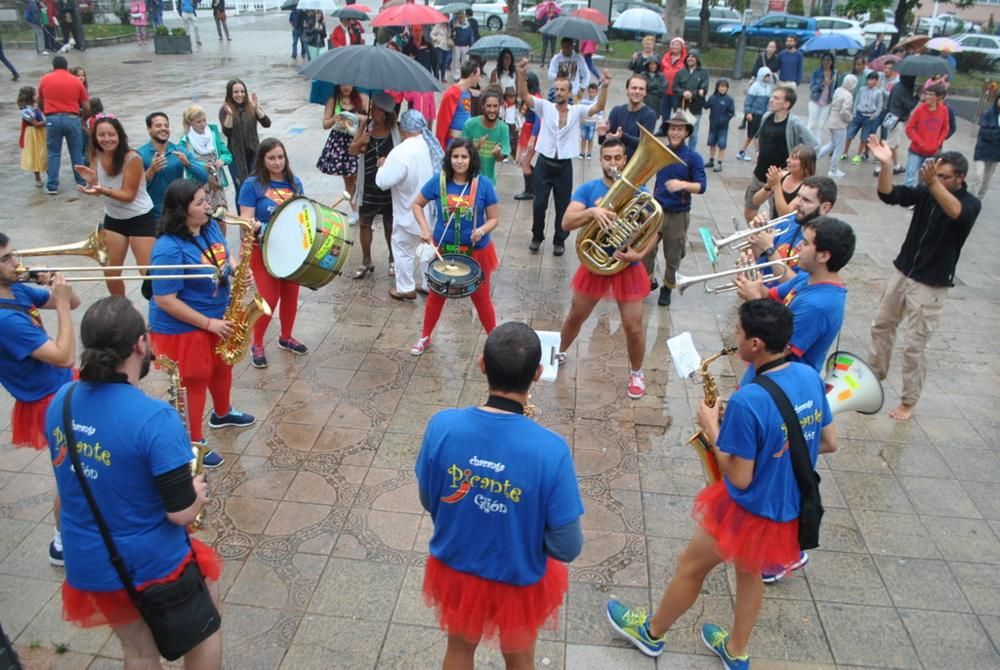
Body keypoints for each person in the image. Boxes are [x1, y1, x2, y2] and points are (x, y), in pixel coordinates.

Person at [607, 299, 837, 666]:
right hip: (786, 506)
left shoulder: (750, 399)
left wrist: (711, 426)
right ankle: (736, 651)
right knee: (749, 578)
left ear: (756, 345)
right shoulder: (809, 375)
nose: (735, 336)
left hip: (747, 509)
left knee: (691, 567)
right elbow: (828, 441)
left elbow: (740, 475)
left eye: (739, 332)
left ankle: (651, 634)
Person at [44, 296, 222, 668]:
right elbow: (180, 514)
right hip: (150, 561)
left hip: (90, 559)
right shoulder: (154, 418)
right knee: (206, 629)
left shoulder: (62, 399)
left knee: (138, 651)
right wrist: (198, 494)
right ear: (141, 344)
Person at [416, 321, 583, 668]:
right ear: (537, 373)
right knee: (520, 657)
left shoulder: (442, 426)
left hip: (457, 567)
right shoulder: (551, 451)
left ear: (482, 365)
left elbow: (429, 498)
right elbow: (567, 546)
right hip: (519, 576)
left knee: (459, 649)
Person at [867, 139, 980, 421]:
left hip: (931, 284)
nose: (936, 180)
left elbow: (957, 213)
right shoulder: (928, 192)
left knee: (914, 346)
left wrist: (933, 184)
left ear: (959, 178)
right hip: (903, 271)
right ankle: (873, 375)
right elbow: (889, 194)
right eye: (934, 174)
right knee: (881, 325)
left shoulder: (969, 203)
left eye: (943, 177)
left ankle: (908, 400)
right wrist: (886, 165)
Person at [150, 179, 256, 469]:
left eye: (205, 199)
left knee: (223, 366)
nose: (208, 206)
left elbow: (223, 253)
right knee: (195, 381)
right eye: (199, 202)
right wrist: (208, 323)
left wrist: (236, 270)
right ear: (181, 211)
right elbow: (166, 300)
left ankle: (222, 413)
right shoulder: (167, 249)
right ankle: (195, 444)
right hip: (182, 327)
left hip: (216, 316)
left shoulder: (208, 225)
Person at [0, 232, 79, 565]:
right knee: (70, 475)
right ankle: (60, 541)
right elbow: (64, 356)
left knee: (79, 468)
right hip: (45, 399)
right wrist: (59, 304)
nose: (16, 263)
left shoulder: (15, 287)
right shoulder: (5, 319)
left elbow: (72, 301)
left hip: (59, 386)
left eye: (13, 255)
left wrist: (57, 286)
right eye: (5, 259)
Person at [557, 139, 656, 398]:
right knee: (576, 316)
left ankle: (636, 373)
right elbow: (566, 222)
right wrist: (592, 212)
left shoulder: (640, 191)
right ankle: (559, 351)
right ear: (600, 160)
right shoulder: (589, 189)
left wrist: (641, 253)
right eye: (608, 158)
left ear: (625, 160)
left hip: (627, 264)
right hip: (595, 263)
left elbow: (655, 230)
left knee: (633, 327)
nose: (613, 163)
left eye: (618, 158)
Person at [409, 138, 500, 356]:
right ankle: (425, 337)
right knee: (436, 295)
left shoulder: (484, 184)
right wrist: (424, 228)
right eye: (455, 156)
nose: (459, 161)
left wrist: (482, 230)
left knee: (482, 298)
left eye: (464, 157)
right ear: (449, 159)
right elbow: (417, 203)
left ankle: (495, 342)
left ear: (472, 159)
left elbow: (494, 218)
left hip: (476, 252)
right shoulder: (438, 182)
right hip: (445, 251)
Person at [735, 216, 855, 372]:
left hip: (778, 382)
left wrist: (753, 300)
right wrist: (750, 277)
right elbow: (769, 297)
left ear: (824, 256)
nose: (798, 246)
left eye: (805, 243)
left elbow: (776, 352)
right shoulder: (808, 277)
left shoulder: (817, 307)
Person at [518, 58, 611, 256]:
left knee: (563, 206)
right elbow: (525, 96)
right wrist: (521, 75)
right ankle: (537, 235)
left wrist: (605, 86)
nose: (559, 92)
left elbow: (599, 107)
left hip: (564, 166)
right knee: (539, 204)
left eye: (563, 89)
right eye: (557, 89)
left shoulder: (577, 111)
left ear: (570, 93)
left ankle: (559, 239)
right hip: (544, 163)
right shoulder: (545, 107)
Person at [238, 138, 309, 368]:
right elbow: (245, 220)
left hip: (291, 251)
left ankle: (286, 337)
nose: (277, 162)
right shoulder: (251, 185)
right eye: (271, 158)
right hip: (262, 251)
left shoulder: (294, 183)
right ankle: (257, 343)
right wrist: (255, 225)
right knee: (268, 299)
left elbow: (303, 214)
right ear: (262, 159)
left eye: (280, 157)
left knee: (291, 295)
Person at [74, 115, 157, 297]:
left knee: (148, 275)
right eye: (101, 135)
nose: (107, 139)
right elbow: (99, 189)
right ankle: (121, 310)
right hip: (114, 218)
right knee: (111, 272)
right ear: (95, 137)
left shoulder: (132, 158)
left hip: (140, 218)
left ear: (119, 135)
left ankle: (159, 314)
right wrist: (91, 185)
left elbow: (128, 195)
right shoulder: (96, 154)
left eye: (111, 134)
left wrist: (102, 189)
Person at [376, 109, 441, 300]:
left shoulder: (401, 152)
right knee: (427, 249)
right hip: (430, 214)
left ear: (403, 129)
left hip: (408, 212)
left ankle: (405, 287)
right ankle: (429, 285)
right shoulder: (431, 145)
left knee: (403, 248)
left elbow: (383, 182)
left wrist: (382, 165)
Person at [646, 109, 706, 306]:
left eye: (680, 129)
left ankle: (667, 287)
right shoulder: (660, 151)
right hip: (657, 210)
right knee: (646, 249)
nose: (675, 133)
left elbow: (701, 186)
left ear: (686, 132)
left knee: (673, 254)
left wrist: (683, 185)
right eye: (672, 129)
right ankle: (649, 280)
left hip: (678, 214)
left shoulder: (693, 157)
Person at [741, 86, 816, 222]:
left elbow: (814, 146)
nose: (771, 100)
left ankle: (769, 238)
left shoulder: (794, 123)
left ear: (786, 104)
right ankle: (759, 234)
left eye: (776, 98)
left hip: (780, 177)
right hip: (760, 173)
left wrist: (796, 165)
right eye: (772, 97)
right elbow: (759, 137)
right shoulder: (766, 117)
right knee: (749, 210)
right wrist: (758, 151)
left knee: (775, 216)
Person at [349, 91, 399, 280]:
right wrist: (362, 140)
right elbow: (352, 151)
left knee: (389, 224)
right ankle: (366, 260)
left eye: (375, 109)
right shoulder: (365, 126)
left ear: (385, 112)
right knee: (364, 224)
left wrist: (389, 162)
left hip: (388, 187)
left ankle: (392, 259)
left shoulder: (396, 131)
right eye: (371, 108)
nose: (371, 112)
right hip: (368, 184)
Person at [747, 175, 838, 277]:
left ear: (825, 207)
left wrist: (769, 249)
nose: (798, 203)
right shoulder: (789, 221)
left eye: (806, 200)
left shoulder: (823, 244)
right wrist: (756, 237)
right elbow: (757, 257)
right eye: (798, 197)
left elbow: (798, 285)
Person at [137, 112, 209, 221]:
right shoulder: (140, 154)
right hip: (151, 215)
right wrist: (151, 171)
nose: (163, 128)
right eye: (158, 126)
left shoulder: (179, 150)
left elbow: (204, 177)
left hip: (178, 213)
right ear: (149, 129)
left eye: (166, 125)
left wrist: (188, 165)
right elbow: (135, 189)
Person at [37, 55, 88, 194]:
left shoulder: (44, 79)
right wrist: (82, 118)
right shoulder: (76, 81)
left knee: (53, 153)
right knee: (76, 151)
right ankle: (81, 181)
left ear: (54, 67)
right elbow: (86, 105)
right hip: (72, 118)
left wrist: (47, 113)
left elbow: (40, 101)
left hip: (52, 119)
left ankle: (52, 185)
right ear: (67, 66)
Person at [317, 83, 366, 225]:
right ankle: (355, 210)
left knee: (358, 177)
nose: (346, 87)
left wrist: (357, 117)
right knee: (349, 179)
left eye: (349, 83)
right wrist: (335, 119)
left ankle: (361, 209)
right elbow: (325, 124)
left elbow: (368, 118)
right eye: (343, 84)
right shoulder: (333, 100)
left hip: (357, 141)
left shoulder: (361, 99)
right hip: (340, 143)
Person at [220, 79, 271, 198]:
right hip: (236, 155)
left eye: (242, 91)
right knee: (241, 189)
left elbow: (267, 123)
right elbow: (227, 132)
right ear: (230, 94)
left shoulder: (250, 107)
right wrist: (230, 115)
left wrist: (256, 108)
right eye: (236, 92)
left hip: (253, 153)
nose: (240, 95)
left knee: (257, 186)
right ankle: (242, 216)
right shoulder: (225, 110)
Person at [178, 105, 232, 214]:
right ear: (190, 123)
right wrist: (201, 165)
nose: (203, 124)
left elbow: (227, 154)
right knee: (204, 216)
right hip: (198, 186)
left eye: (204, 120)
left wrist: (222, 160)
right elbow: (186, 164)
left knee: (222, 215)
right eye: (198, 122)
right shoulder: (185, 142)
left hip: (217, 184)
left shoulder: (213, 135)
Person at [748, 144, 816, 220]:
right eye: (789, 157)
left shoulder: (807, 187)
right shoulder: (782, 175)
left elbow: (784, 214)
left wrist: (777, 184)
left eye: (793, 158)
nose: (788, 160)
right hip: (774, 225)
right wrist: (768, 186)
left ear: (805, 164)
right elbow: (755, 201)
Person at [903, 81, 950, 188]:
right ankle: (908, 199)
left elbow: (945, 128)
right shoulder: (920, 110)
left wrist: (939, 142)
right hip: (916, 150)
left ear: (938, 97)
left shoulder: (944, 110)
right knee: (910, 175)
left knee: (925, 179)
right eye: (926, 93)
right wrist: (919, 142)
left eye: (930, 94)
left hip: (932, 151)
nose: (927, 96)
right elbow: (909, 128)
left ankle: (921, 200)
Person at [602, 75, 657, 161]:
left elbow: (644, 144)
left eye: (641, 89)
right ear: (627, 90)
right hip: (615, 165)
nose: (637, 91)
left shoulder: (650, 115)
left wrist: (622, 136)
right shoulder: (616, 111)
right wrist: (602, 134)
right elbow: (604, 142)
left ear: (646, 93)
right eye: (634, 88)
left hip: (636, 169)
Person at [462, 89, 510, 183]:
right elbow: (461, 152)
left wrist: (497, 154)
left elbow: (501, 157)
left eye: (495, 106)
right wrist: (475, 147)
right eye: (489, 106)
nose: (492, 110)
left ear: (500, 107)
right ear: (483, 106)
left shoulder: (503, 128)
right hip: (468, 180)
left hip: (489, 182)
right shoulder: (470, 124)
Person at [817, 74, 856, 178]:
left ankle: (816, 156)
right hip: (839, 124)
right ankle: (833, 169)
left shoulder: (838, 90)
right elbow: (844, 111)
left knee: (832, 144)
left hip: (831, 120)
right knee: (839, 147)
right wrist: (850, 117)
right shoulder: (848, 95)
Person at [435, 61, 480, 149]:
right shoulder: (452, 93)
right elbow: (442, 121)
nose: (479, 79)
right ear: (472, 75)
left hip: (466, 142)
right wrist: (440, 146)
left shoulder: (468, 92)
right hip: (453, 142)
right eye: (478, 75)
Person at [842, 72, 883, 164]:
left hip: (869, 116)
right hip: (859, 114)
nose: (869, 81)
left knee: (864, 137)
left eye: (872, 80)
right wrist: (854, 112)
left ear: (876, 81)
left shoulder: (878, 92)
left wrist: (874, 116)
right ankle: (845, 152)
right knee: (849, 134)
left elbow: (879, 106)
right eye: (869, 79)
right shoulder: (862, 89)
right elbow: (857, 101)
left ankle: (858, 155)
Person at [735, 67, 773, 165]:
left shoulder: (768, 87)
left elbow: (768, 102)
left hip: (763, 114)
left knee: (752, 136)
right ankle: (758, 155)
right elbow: (748, 100)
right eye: (766, 76)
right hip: (755, 114)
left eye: (769, 76)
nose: (767, 78)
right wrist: (748, 112)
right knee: (755, 136)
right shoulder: (755, 86)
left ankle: (742, 152)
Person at [513, 70, 541, 201]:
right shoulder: (528, 97)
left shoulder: (536, 99)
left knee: (525, 161)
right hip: (526, 129)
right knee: (521, 159)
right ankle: (536, 185)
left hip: (531, 132)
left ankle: (530, 189)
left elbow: (538, 120)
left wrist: (533, 137)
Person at [673, 52, 708, 149]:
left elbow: (703, 90)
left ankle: (692, 151)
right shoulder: (681, 72)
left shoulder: (703, 73)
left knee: (693, 133)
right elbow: (675, 87)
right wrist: (683, 92)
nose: (690, 59)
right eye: (689, 57)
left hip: (695, 108)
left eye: (693, 57)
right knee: (680, 131)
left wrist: (692, 94)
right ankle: (679, 149)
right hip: (682, 107)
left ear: (697, 59)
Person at [18, 86, 47, 188]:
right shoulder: (26, 110)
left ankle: (49, 175)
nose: (37, 96)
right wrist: (49, 121)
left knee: (45, 152)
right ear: (30, 97)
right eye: (35, 94)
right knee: (36, 154)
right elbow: (36, 124)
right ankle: (38, 179)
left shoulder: (34, 106)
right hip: (33, 134)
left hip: (39, 132)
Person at [704, 79, 735, 173]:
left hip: (723, 127)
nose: (723, 88)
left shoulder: (729, 100)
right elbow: (706, 106)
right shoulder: (712, 98)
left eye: (725, 87)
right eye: (721, 86)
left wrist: (724, 120)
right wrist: (701, 98)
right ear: (717, 87)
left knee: (722, 145)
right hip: (713, 125)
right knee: (712, 143)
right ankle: (711, 160)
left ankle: (720, 162)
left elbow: (731, 112)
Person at [657, 37, 687, 135]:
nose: (675, 47)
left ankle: (676, 130)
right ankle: (664, 129)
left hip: (677, 91)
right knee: (664, 111)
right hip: (665, 90)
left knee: (677, 112)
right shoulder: (666, 57)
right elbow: (660, 70)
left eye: (678, 45)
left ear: (682, 47)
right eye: (673, 44)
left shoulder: (685, 59)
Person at [973, 93, 1000, 199]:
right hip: (982, 150)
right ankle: (971, 197)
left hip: (995, 153)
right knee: (978, 175)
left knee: (987, 180)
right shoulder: (988, 114)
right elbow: (985, 132)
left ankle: (980, 197)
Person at [807, 53, 837, 140]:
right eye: (825, 60)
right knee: (812, 123)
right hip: (815, 100)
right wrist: (822, 84)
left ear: (832, 62)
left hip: (827, 101)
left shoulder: (834, 73)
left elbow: (836, 87)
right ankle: (807, 142)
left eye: (829, 60)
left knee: (821, 125)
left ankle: (818, 146)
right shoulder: (817, 72)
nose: (826, 62)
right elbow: (812, 88)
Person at [450, 11, 475, 81]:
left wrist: (472, 43)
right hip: (457, 45)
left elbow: (471, 34)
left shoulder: (468, 25)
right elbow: (452, 34)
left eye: (462, 17)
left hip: (466, 45)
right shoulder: (454, 23)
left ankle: (464, 74)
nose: (461, 18)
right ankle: (456, 75)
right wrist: (453, 28)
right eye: (459, 17)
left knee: (465, 61)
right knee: (456, 60)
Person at [578, 82, 600, 159]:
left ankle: (589, 153)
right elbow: (580, 111)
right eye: (590, 92)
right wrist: (580, 119)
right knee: (583, 138)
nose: (591, 94)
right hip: (584, 122)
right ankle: (582, 152)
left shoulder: (598, 102)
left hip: (592, 123)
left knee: (590, 138)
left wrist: (599, 121)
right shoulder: (584, 101)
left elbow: (600, 113)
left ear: (597, 92)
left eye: (593, 92)